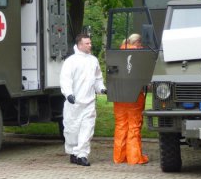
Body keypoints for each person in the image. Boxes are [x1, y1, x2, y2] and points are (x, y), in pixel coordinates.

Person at [59, 33, 106, 166]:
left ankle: (82, 155)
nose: (90, 45)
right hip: (74, 103)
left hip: (89, 102)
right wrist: (68, 94)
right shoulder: (71, 61)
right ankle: (73, 152)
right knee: (72, 129)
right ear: (80, 45)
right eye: (87, 43)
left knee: (87, 129)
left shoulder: (93, 60)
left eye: (90, 43)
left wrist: (101, 89)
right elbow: (65, 79)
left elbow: (97, 79)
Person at [113, 33, 149, 165]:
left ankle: (119, 157)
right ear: (137, 42)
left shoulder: (116, 54)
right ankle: (134, 158)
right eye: (141, 43)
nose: (142, 46)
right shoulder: (139, 55)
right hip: (134, 95)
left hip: (118, 95)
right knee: (134, 126)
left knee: (120, 126)